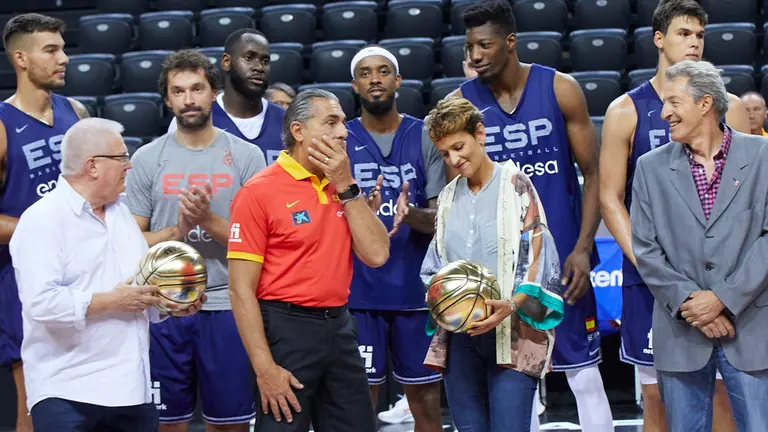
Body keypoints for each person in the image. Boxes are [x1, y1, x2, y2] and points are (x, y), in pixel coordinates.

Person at [453, 2, 613, 430]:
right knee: (514, 381)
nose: (475, 55)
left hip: (562, 264)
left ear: (510, 42)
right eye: (470, 47)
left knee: (583, 373)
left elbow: (594, 173)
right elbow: (459, 196)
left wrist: (582, 249)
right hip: (499, 273)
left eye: (485, 45)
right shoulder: (460, 104)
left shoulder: (560, 88)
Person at [9, 117, 205, 431]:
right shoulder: (41, 220)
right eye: (121, 158)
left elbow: (138, 295)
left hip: (132, 391)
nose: (129, 166)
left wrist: (172, 305)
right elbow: (41, 303)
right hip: (68, 393)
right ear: (93, 165)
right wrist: (111, 301)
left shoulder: (122, 215)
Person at [599, 2, 743, 431]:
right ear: (659, 39)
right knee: (657, 398)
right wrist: (654, 270)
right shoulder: (625, 110)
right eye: (684, 33)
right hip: (652, 280)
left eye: (699, 34)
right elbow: (609, 199)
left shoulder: (729, 106)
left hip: (719, 279)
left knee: (724, 396)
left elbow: (748, 198)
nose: (695, 42)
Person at [227, 88, 390, 431]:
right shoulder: (258, 192)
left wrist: (346, 186)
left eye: (343, 123)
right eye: (330, 122)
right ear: (298, 131)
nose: (343, 132)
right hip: (286, 332)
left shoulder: (342, 185)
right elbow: (241, 290)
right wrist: (264, 367)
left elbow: (377, 255)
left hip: (340, 328)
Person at [124, 49, 267, 432]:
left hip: (226, 304)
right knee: (167, 423)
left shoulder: (247, 157)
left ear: (213, 93)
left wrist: (206, 219)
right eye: (178, 91)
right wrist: (178, 230)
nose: (188, 99)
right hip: (163, 308)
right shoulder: (146, 159)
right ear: (168, 99)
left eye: (197, 89)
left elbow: (258, 241)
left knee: (230, 424)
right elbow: (130, 240)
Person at [630, 59, 768, 432]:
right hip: (682, 331)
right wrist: (694, 303)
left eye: (674, 102)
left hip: (752, 329)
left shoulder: (762, 157)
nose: (664, 113)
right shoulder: (649, 167)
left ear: (705, 104)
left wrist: (721, 298)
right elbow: (645, 248)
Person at [419, 96, 563, 431]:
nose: (454, 159)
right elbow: (436, 264)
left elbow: (537, 252)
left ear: (479, 134)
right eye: (445, 153)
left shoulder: (515, 184)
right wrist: (441, 296)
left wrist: (511, 304)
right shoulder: (447, 198)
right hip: (460, 336)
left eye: (459, 146)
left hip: (512, 332)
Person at [345, 46, 445, 431]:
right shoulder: (342, 139)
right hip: (359, 293)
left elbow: (440, 218)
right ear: (355, 85)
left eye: (383, 71)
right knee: (357, 403)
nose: (375, 79)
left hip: (414, 293)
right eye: (366, 73)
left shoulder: (424, 135)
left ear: (397, 81)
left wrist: (411, 214)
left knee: (425, 402)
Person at [0, 13, 90, 432]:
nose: (64, 58)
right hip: (24, 277)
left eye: (63, 48)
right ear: (21, 58)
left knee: (89, 398)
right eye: (51, 50)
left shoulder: (75, 110)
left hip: (82, 271)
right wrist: (45, 230)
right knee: (34, 406)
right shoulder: (2, 125)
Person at [168, 29, 285, 165]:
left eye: (265, 61)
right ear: (226, 62)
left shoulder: (287, 121)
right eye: (249, 58)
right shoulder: (192, 119)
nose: (258, 67)